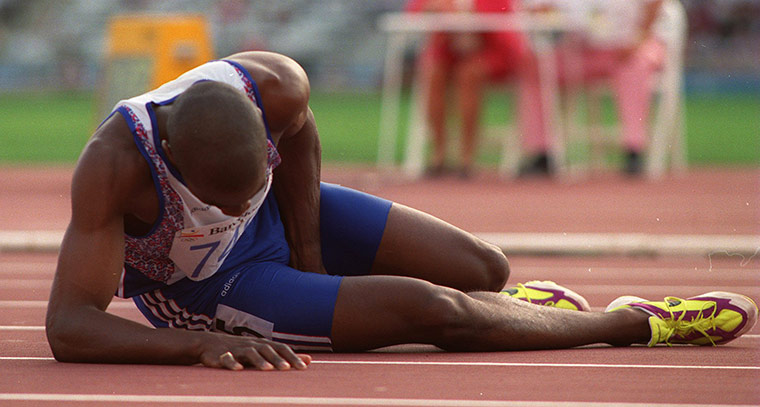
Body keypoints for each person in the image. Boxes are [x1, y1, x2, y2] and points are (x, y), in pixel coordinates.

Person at [46, 51, 757, 371]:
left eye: (251, 183)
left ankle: (523, 311)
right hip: (206, 284)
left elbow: (300, 137)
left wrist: (311, 252)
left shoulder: (275, 87)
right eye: (220, 202)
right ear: (171, 164)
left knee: (484, 267)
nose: (234, 209)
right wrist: (197, 343)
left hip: (284, 226)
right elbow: (70, 328)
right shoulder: (114, 170)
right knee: (435, 310)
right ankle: (635, 320)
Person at [518, 0, 668, 176]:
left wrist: (639, 37)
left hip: (630, 45)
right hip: (578, 51)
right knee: (537, 67)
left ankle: (634, 149)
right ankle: (542, 152)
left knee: (635, 64)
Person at [405, 0, 527, 178]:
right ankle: (439, 152)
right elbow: (416, 13)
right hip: (449, 51)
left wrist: (469, 20)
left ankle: (467, 156)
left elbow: (501, 22)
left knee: (469, 74)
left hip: (490, 50)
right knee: (434, 73)